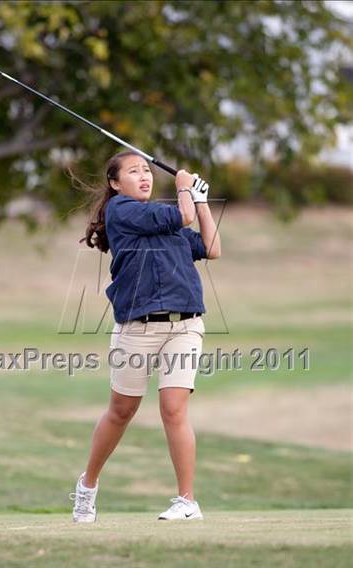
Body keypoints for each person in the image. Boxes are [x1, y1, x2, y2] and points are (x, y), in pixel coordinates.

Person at [70, 150, 221, 522]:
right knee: (122, 411)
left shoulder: (166, 223)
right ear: (115, 183)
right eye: (134, 171)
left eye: (147, 171)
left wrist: (201, 202)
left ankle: (187, 501)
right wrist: (185, 187)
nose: (144, 176)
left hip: (184, 326)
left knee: (174, 409)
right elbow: (180, 214)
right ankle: (87, 486)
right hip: (137, 328)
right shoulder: (122, 211)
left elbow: (212, 248)